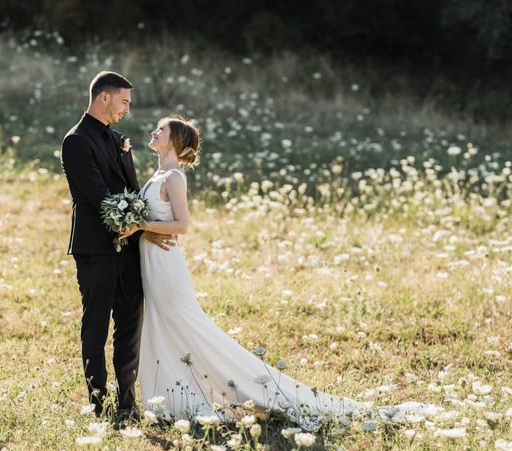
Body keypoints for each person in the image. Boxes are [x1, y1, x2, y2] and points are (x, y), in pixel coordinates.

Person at [119, 115, 365, 430]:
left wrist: (140, 225)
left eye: (162, 129)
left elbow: (182, 225)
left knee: (185, 326)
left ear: (176, 140)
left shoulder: (174, 178)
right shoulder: (157, 175)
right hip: (151, 262)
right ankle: (170, 400)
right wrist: (144, 230)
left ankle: (244, 388)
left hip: (166, 266)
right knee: (162, 327)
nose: (154, 131)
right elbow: (158, 222)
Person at [60, 71, 174, 419]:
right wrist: (145, 230)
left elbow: (133, 195)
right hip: (95, 248)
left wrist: (144, 230)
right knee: (95, 325)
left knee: (129, 323)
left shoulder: (120, 140)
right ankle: (98, 403)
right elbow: (99, 199)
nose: (127, 108)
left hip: (129, 251)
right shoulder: (76, 141)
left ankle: (126, 403)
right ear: (104, 97)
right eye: (124, 101)